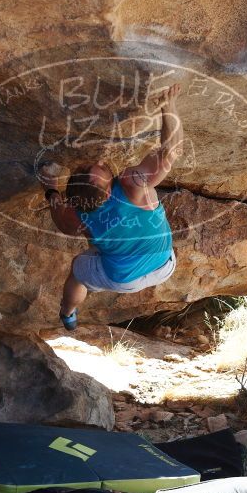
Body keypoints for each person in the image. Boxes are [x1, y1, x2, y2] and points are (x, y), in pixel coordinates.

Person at [39, 83, 183, 330]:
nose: (100, 160)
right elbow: (171, 151)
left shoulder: (76, 214)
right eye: (100, 167)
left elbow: (62, 222)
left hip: (121, 279)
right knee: (98, 245)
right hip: (164, 265)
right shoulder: (132, 186)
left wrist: (51, 189)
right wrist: (168, 108)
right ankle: (71, 306)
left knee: (78, 272)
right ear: (108, 188)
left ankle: (68, 312)